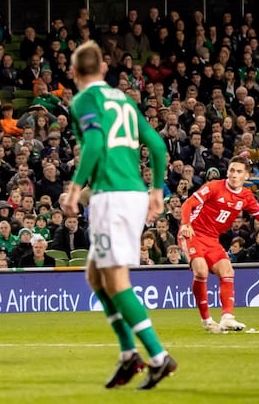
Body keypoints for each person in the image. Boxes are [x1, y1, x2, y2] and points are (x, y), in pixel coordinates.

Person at [63, 41, 176, 390]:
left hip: (111, 198)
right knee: (95, 276)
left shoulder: (83, 100)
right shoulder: (124, 100)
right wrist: (156, 190)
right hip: (131, 193)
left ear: (74, 72)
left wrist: (73, 188)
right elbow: (156, 145)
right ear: (104, 69)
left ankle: (157, 356)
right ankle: (129, 353)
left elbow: (95, 144)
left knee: (115, 281)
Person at [180, 156, 259, 332]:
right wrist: (186, 223)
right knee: (201, 270)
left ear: (246, 176)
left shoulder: (246, 196)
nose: (234, 175)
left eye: (239, 171)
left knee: (227, 271)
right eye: (232, 170)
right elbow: (188, 204)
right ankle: (207, 321)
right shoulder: (214, 187)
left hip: (212, 239)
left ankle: (227, 317)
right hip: (192, 233)